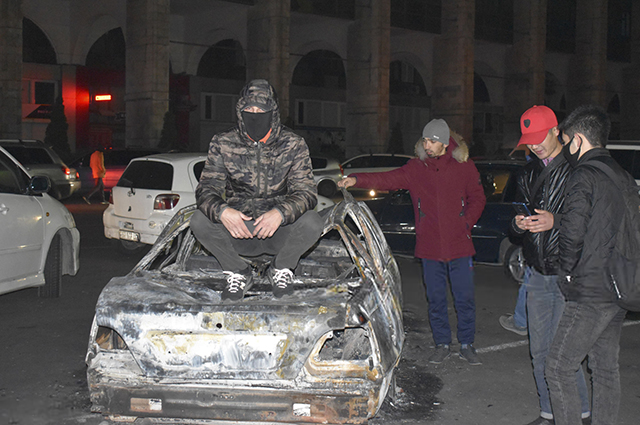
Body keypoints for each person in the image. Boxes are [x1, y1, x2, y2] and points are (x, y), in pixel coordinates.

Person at [338, 118, 486, 365]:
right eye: (425, 140)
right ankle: (441, 344)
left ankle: (467, 343)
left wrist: (465, 223)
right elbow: (387, 179)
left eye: (432, 141)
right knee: (436, 299)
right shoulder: (416, 169)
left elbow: (478, 198)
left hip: (460, 245)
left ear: (444, 143)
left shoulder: (464, 166)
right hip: (430, 247)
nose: (427, 145)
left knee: (465, 298)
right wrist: (356, 180)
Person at [190, 79, 323, 301]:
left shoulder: (293, 144)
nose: (255, 114)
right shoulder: (223, 142)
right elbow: (206, 190)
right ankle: (238, 271)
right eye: (249, 109)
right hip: (238, 232)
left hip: (278, 232)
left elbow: (307, 192)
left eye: (261, 109)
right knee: (198, 220)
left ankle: (281, 268)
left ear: (273, 112)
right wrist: (224, 212)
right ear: (240, 112)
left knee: (313, 221)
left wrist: (280, 213)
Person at [546, 105, 628, 425]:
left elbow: (572, 230)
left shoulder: (584, 174)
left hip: (592, 285)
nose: (566, 149)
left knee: (558, 366)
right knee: (605, 367)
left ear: (578, 140)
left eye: (566, 142)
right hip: (619, 284)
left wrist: (566, 272)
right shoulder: (620, 174)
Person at [509, 105, 591, 425]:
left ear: (556, 131)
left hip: (569, 273)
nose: (535, 145)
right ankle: (548, 411)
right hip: (536, 274)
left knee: (563, 355)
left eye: (539, 137)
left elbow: (594, 220)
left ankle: (579, 414)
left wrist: (555, 221)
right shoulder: (528, 173)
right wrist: (518, 225)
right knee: (539, 351)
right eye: (528, 140)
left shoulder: (580, 168)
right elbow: (516, 229)